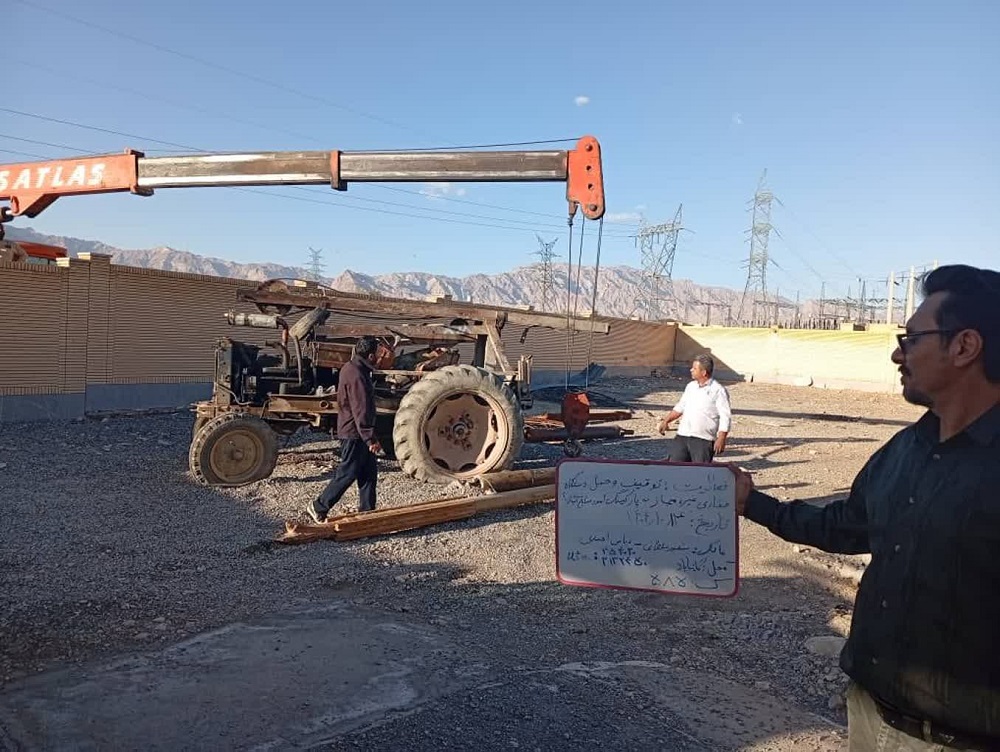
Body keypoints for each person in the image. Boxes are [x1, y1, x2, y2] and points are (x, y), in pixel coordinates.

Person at [734, 264, 1000, 751]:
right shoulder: (903, 450)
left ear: (964, 346)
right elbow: (845, 526)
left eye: (911, 338)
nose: (898, 353)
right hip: (869, 715)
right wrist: (752, 503)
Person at [307, 335, 382, 522]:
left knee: (368, 473)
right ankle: (319, 506)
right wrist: (370, 438)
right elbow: (361, 408)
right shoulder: (357, 374)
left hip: (356, 431)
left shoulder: (352, 368)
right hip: (354, 433)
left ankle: (367, 513)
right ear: (370, 356)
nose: (381, 357)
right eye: (379, 353)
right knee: (348, 472)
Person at [657, 353, 732, 462]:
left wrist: (721, 438)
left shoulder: (718, 390)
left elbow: (725, 416)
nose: (691, 370)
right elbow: (680, 407)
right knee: (674, 466)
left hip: (703, 439)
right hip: (683, 435)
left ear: (704, 372)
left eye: (694, 368)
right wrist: (666, 421)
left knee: (699, 469)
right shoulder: (691, 387)